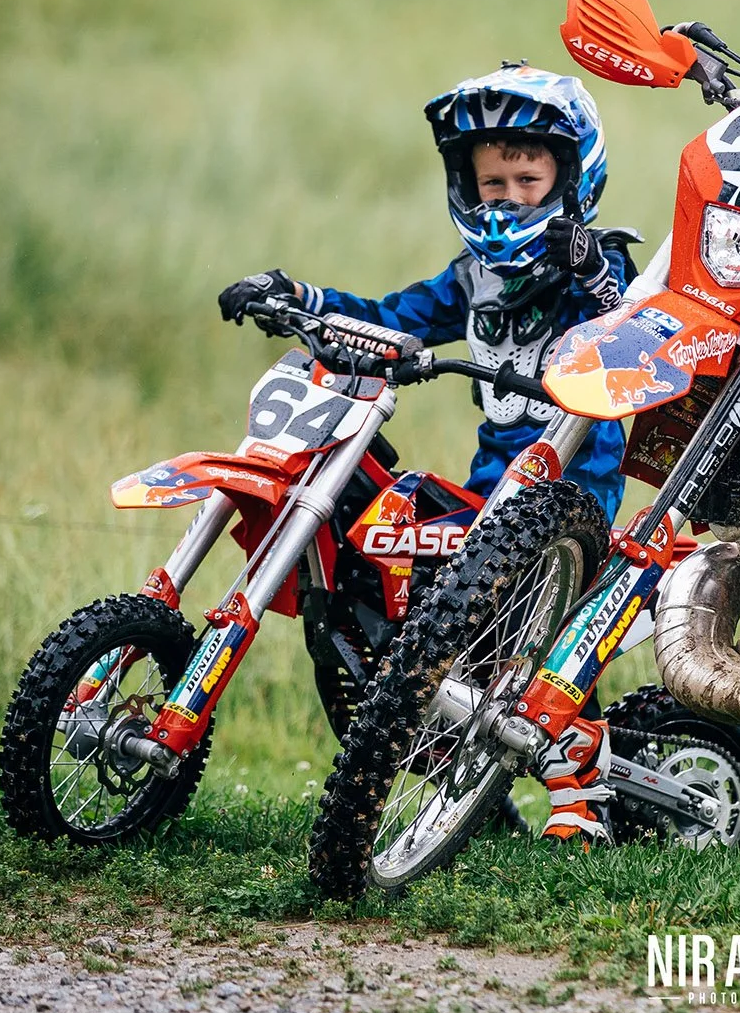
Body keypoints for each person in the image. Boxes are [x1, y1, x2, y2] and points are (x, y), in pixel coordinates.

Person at [217, 62, 634, 844]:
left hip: (571, 498)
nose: (507, 197)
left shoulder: (599, 263)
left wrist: (590, 270)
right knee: (400, 570)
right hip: (491, 494)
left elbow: (628, 328)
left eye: (528, 180)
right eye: (491, 182)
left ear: (571, 176)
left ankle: (585, 796)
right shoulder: (474, 277)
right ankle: (458, 777)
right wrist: (300, 298)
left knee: (533, 635)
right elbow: (391, 316)